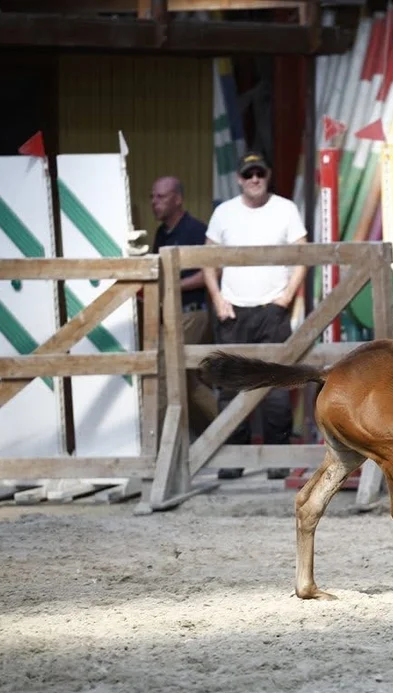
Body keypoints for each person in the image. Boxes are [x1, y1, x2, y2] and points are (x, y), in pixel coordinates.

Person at [202, 151, 307, 480]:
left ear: (268, 174)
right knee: (231, 387)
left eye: (260, 172)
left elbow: (303, 253)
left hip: (271, 310)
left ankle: (278, 456)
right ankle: (234, 457)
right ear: (239, 178)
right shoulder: (224, 212)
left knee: (276, 387)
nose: (254, 179)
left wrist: (286, 297)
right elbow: (207, 259)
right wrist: (218, 298)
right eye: (248, 174)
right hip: (233, 311)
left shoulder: (286, 209)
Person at [150, 176, 218, 438]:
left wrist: (172, 286)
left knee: (166, 372)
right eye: (152, 197)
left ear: (178, 199)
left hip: (193, 313)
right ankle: (221, 435)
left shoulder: (196, 230)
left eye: (161, 197)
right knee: (187, 381)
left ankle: (158, 443)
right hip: (170, 316)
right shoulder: (161, 234)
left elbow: (209, 273)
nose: (155, 203)